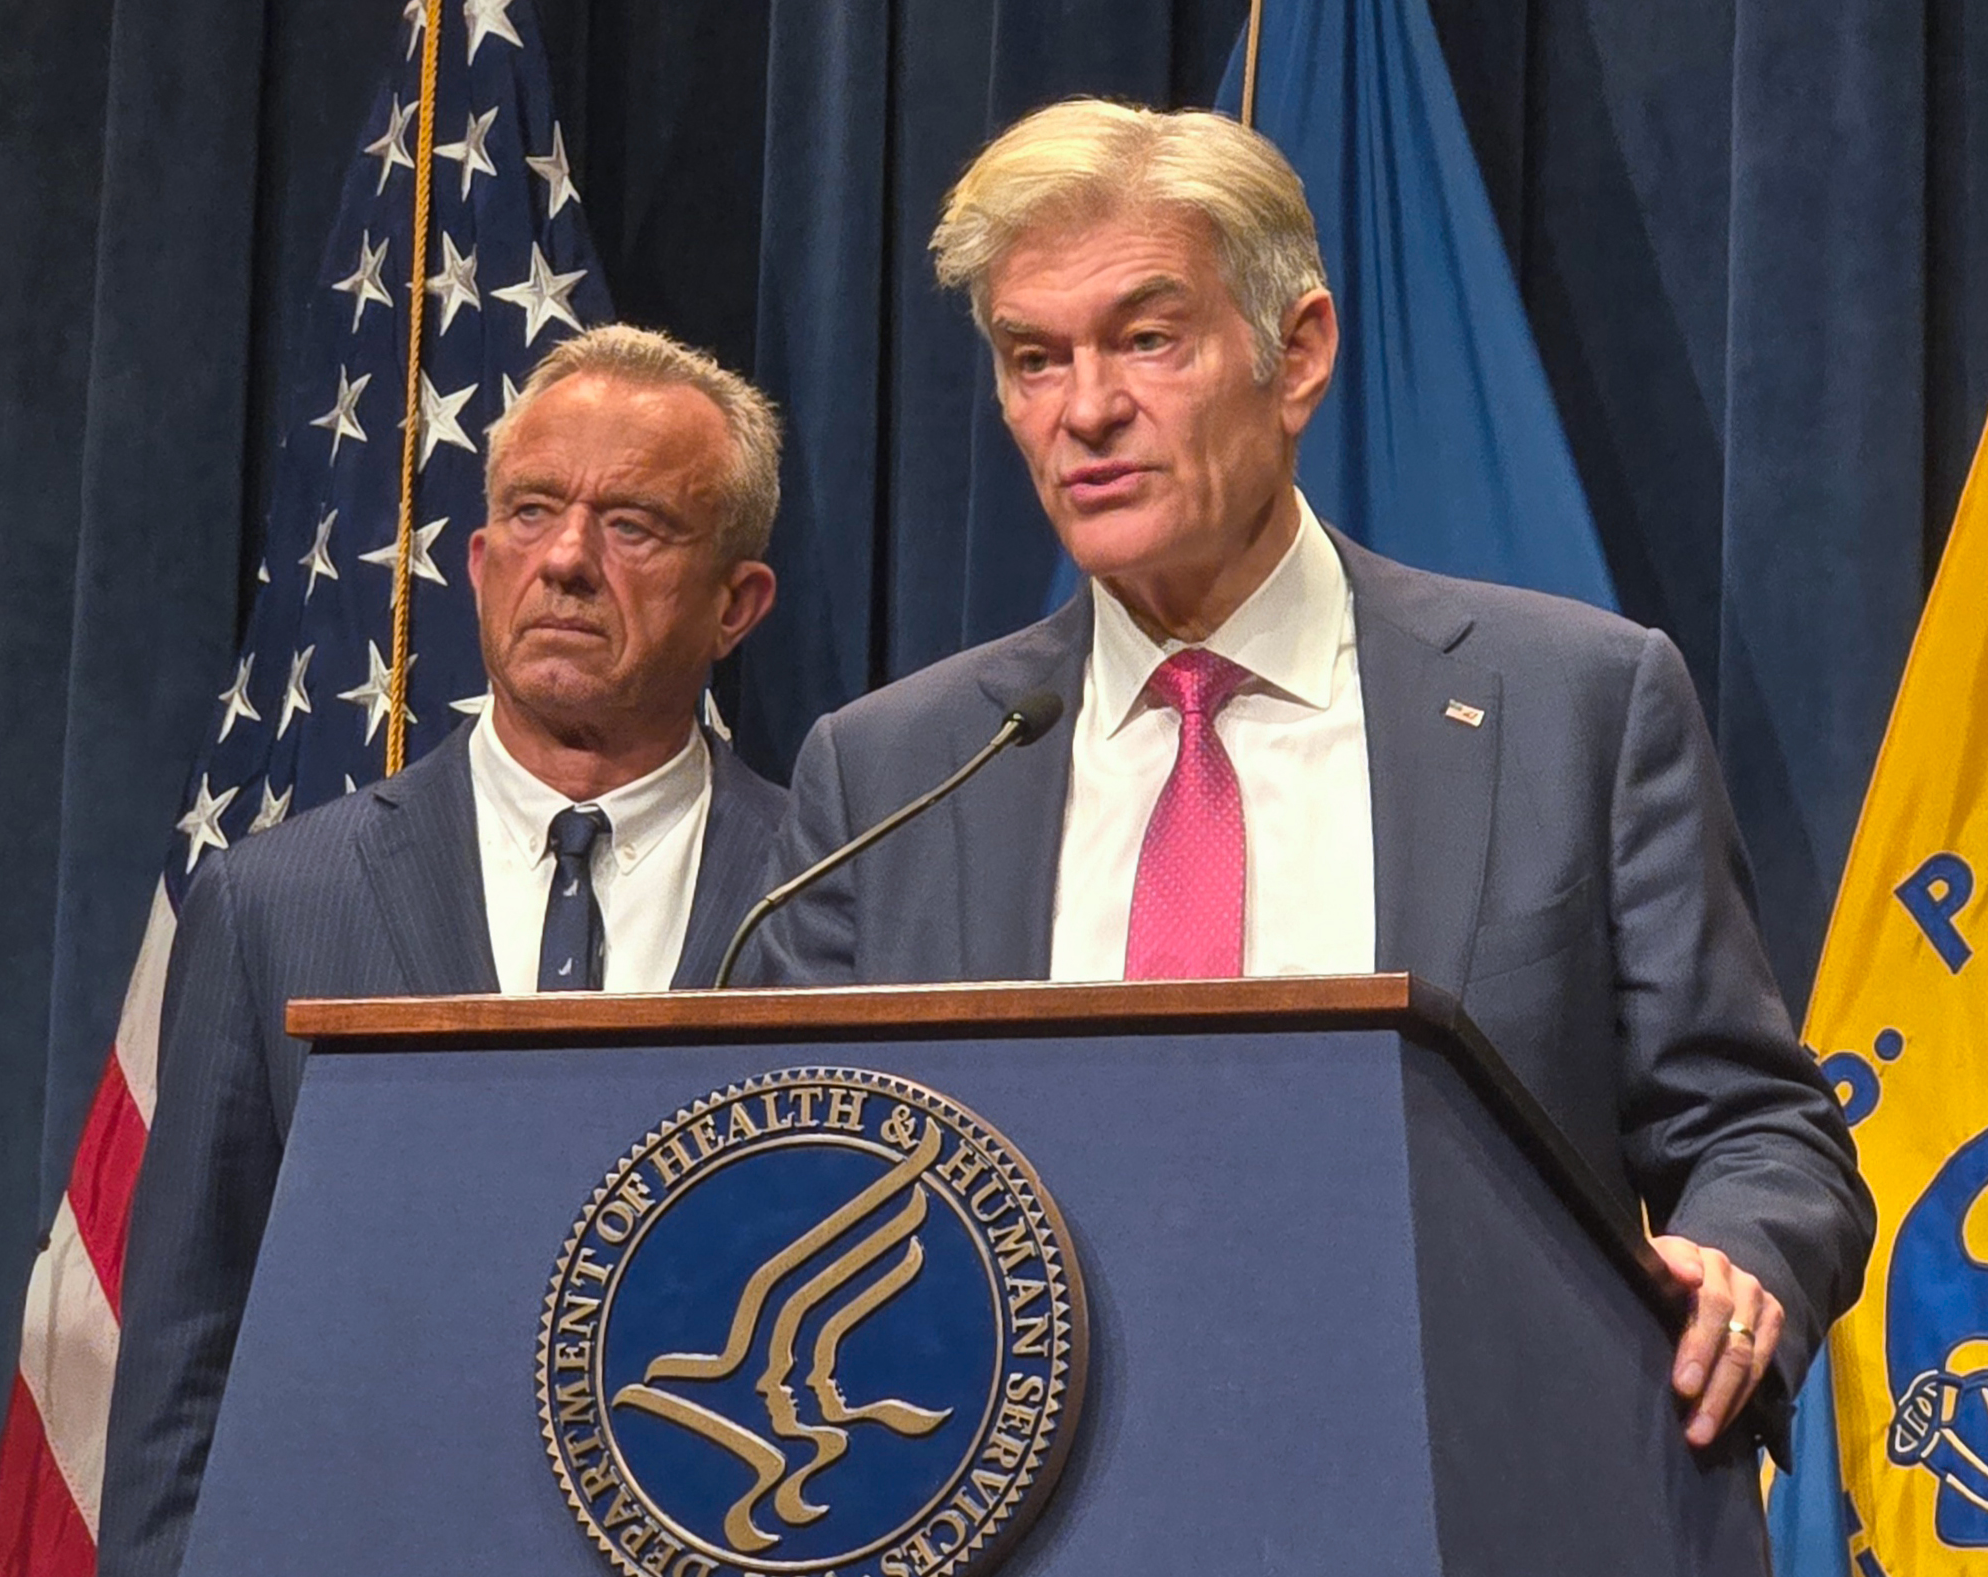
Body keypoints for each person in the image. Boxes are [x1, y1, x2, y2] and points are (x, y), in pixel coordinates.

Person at [746, 101, 1873, 1461]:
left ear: (1298, 353)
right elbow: (792, 1183)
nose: (1086, 409)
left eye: (1146, 338)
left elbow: (1755, 1129)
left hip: (1463, 1478)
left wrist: (1740, 1265)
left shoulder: (1568, 703)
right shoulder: (891, 772)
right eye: (1033, 358)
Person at [100, 324, 786, 1577]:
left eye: (634, 525)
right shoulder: (273, 903)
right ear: (475, 561)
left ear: (736, 603)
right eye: (532, 511)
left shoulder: (835, 890)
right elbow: (189, 1364)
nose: (568, 560)